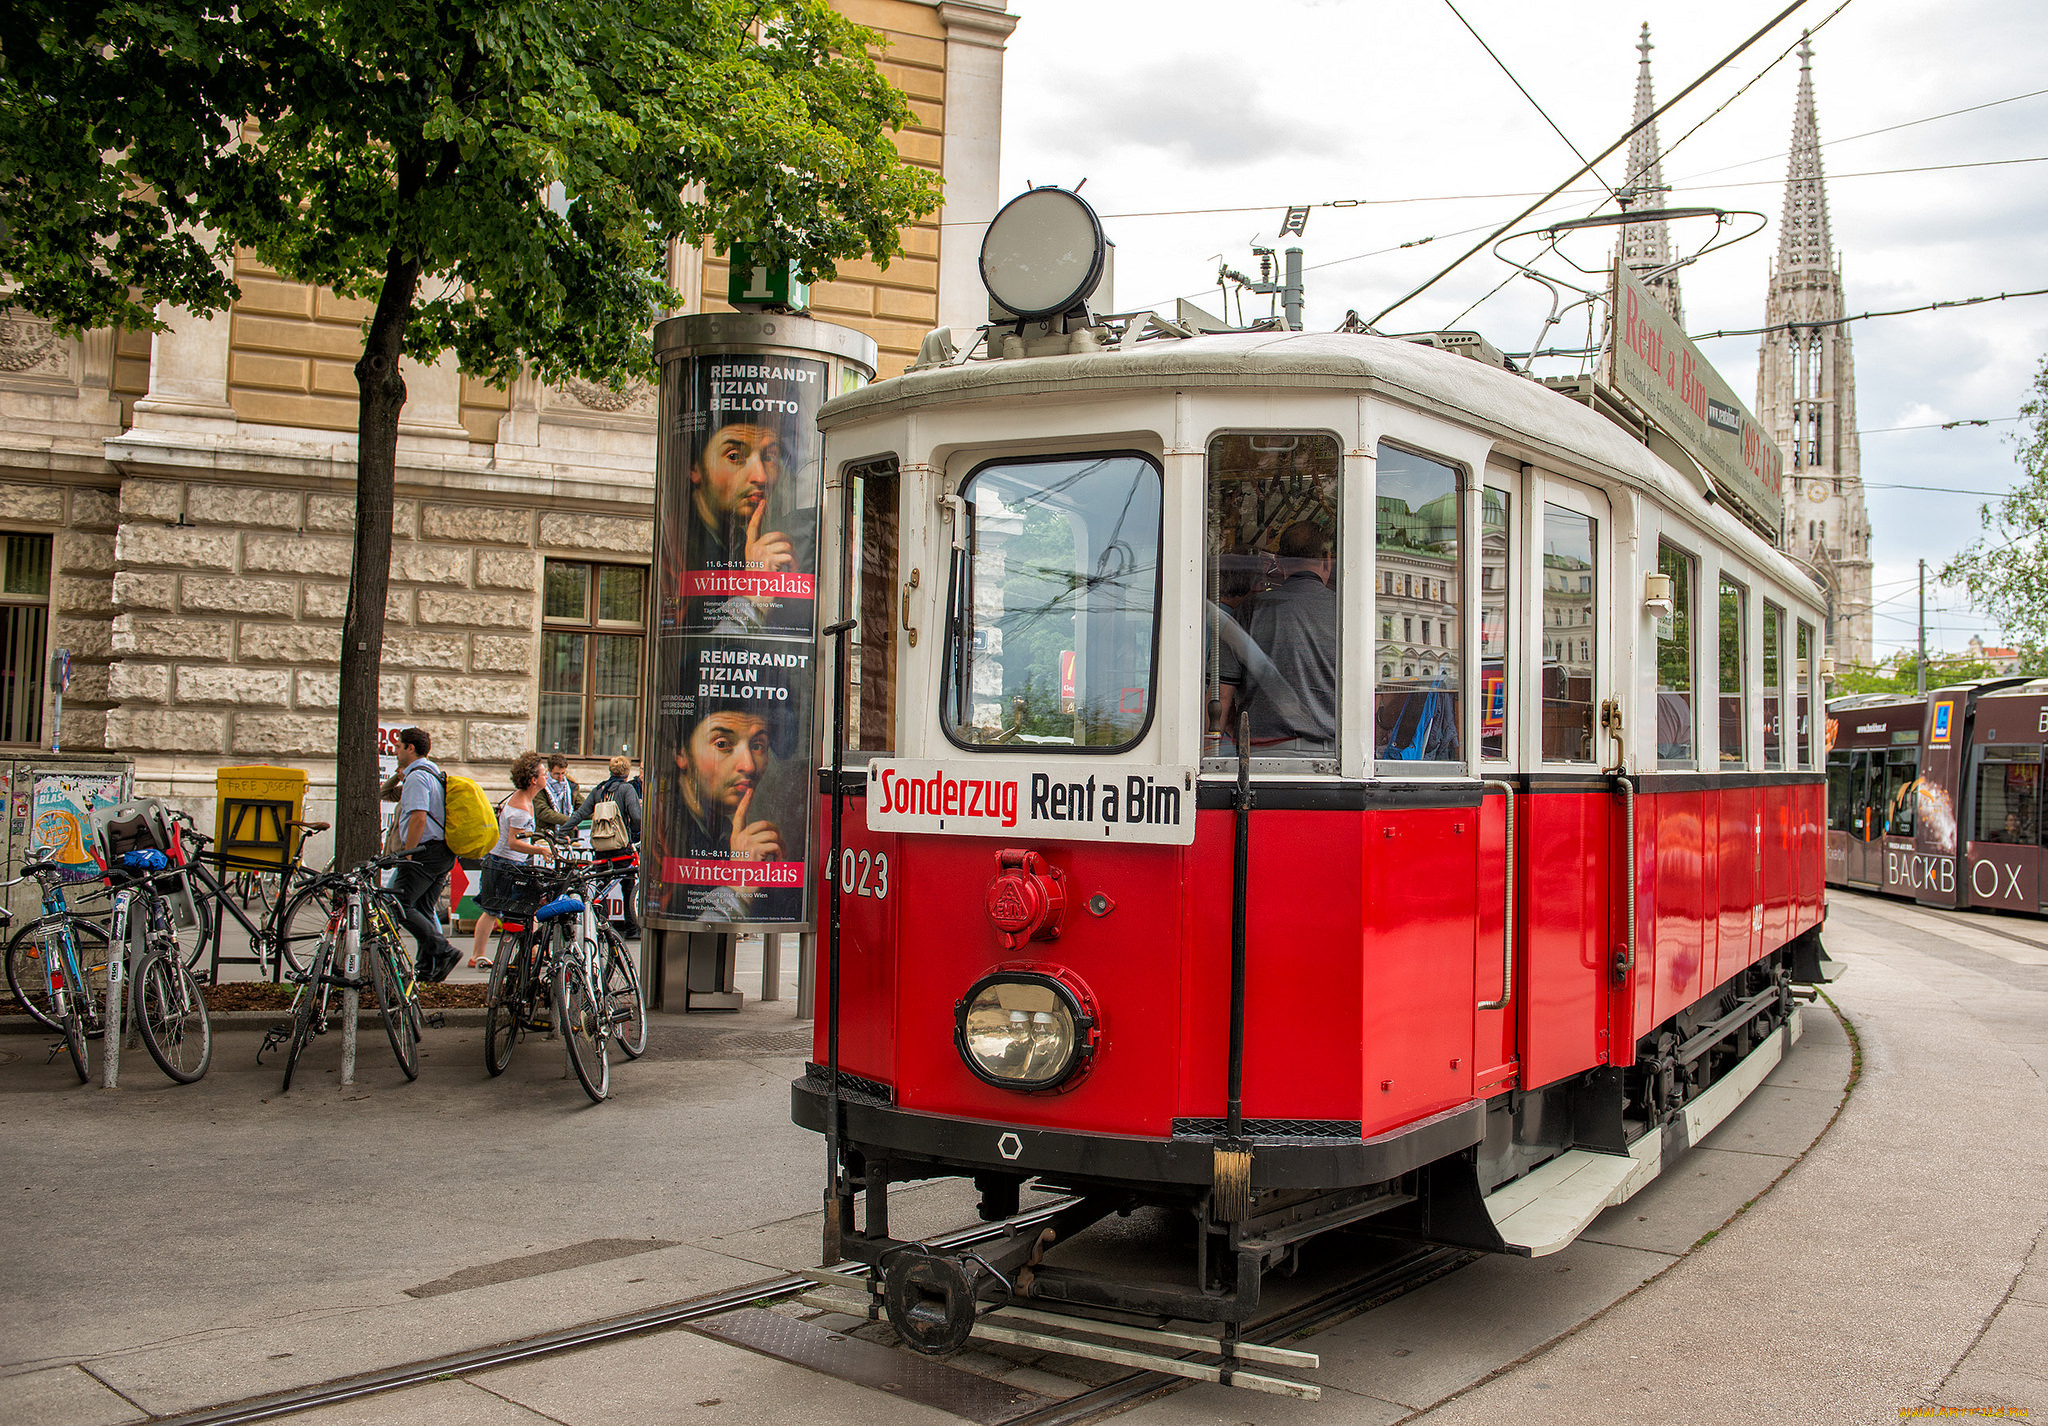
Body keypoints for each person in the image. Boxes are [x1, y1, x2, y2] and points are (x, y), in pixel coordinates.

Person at [659, 701, 799, 922]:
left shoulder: (722, 831)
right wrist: (738, 888)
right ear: (681, 751)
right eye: (722, 743)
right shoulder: (661, 830)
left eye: (758, 745)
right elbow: (696, 937)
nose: (748, 766)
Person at [1217, 521, 1339, 754]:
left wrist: (1208, 756)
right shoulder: (1345, 613)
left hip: (1260, 758)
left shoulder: (1249, 610)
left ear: (1279, 562)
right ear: (1327, 560)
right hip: (1330, 758)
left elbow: (1222, 696)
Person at [471, 751, 554, 968]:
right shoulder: (521, 807)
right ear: (534, 780)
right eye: (544, 774)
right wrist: (540, 850)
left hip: (501, 861)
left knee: (493, 910)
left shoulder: (519, 798)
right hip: (506, 863)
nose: (547, 778)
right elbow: (513, 842)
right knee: (523, 908)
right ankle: (534, 952)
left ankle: (480, 954)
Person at [391, 727, 460, 982]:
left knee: (397, 905)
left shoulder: (418, 778)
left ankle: (443, 950)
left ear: (410, 748)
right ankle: (428, 966)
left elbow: (418, 817)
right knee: (422, 906)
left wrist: (408, 853)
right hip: (441, 852)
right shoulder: (432, 772)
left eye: (399, 746)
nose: (395, 750)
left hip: (424, 851)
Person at [555, 755, 645, 938]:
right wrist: (640, 833)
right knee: (628, 886)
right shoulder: (627, 789)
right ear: (627, 773)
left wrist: (561, 832)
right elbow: (636, 817)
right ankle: (631, 928)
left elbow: (581, 813)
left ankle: (603, 926)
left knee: (600, 887)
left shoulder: (599, 789)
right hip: (621, 846)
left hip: (601, 846)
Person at [535, 753, 581, 828]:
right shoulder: (541, 786)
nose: (560, 777)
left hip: (566, 831)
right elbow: (543, 811)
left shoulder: (570, 786)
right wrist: (568, 820)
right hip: (546, 831)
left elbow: (582, 806)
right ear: (549, 770)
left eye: (563, 773)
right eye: (556, 774)